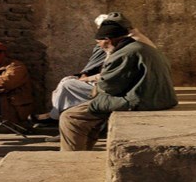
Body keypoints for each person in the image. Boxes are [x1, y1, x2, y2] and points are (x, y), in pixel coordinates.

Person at [59, 20, 178, 152]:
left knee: (70, 117)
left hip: (142, 101)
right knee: (92, 113)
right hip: (160, 98)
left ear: (108, 40)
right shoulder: (142, 47)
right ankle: (83, 150)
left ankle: (72, 157)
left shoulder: (125, 54)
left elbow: (108, 87)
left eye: (99, 42)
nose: (99, 45)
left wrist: (96, 87)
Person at [30, 11, 155, 126]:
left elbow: (110, 81)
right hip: (130, 88)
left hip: (131, 94)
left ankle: (58, 117)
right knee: (69, 82)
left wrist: (89, 80)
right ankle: (59, 117)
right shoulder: (132, 42)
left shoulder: (127, 47)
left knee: (67, 85)